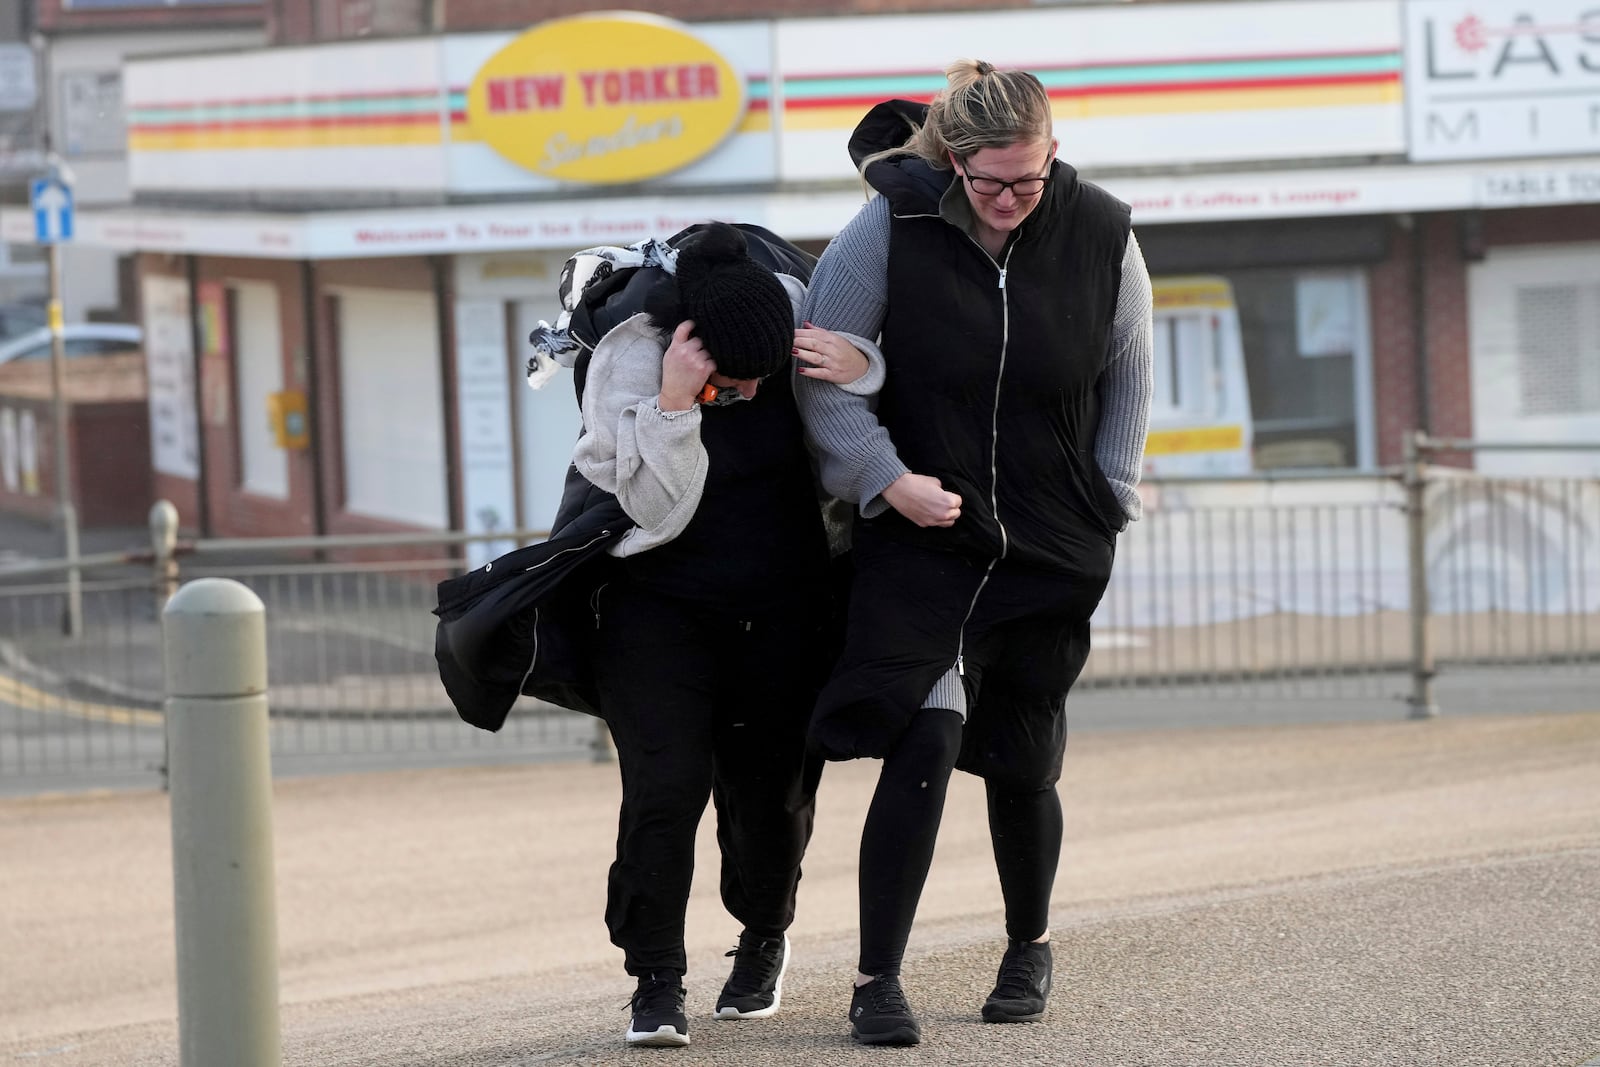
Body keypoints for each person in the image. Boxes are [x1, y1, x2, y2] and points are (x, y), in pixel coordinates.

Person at [792, 60, 1154, 1046]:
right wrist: (883, 478)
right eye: (990, 182)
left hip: (1051, 541)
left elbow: (1126, 370)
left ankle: (1026, 944)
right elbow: (819, 370)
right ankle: (876, 979)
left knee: (1025, 757)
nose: (1008, 203)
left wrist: (1108, 496)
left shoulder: (1101, 233)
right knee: (927, 732)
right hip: (926, 536)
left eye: (1028, 182)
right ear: (951, 159)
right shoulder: (885, 233)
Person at [571, 222, 872, 1048]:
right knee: (664, 790)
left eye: (756, 383)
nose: (742, 394)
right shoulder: (632, 357)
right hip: (656, 603)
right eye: (728, 385)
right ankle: (656, 978)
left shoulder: (792, 325)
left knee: (772, 795)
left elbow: (875, 395)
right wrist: (676, 403)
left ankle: (763, 935)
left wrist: (863, 363)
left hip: (785, 599)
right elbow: (654, 507)